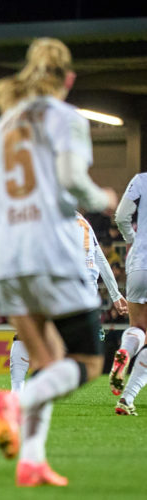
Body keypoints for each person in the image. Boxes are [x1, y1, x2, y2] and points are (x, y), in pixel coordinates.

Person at [0, 38, 117, 487]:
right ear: (68, 79)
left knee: (48, 360)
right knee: (88, 363)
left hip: (9, 259)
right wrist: (103, 199)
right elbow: (74, 182)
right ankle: (17, 401)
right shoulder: (68, 119)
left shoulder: (4, 123)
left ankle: (31, 460)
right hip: (52, 253)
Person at [0, 211, 128, 393]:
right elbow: (99, 258)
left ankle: (20, 393)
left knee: (30, 335)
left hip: (60, 283)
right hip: (86, 294)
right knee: (89, 363)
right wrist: (115, 295)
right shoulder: (83, 222)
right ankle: (125, 349)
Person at [110, 169, 147, 415]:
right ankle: (127, 397)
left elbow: (121, 215)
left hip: (139, 262)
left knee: (138, 327)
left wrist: (132, 239)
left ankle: (125, 351)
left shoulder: (141, 179)